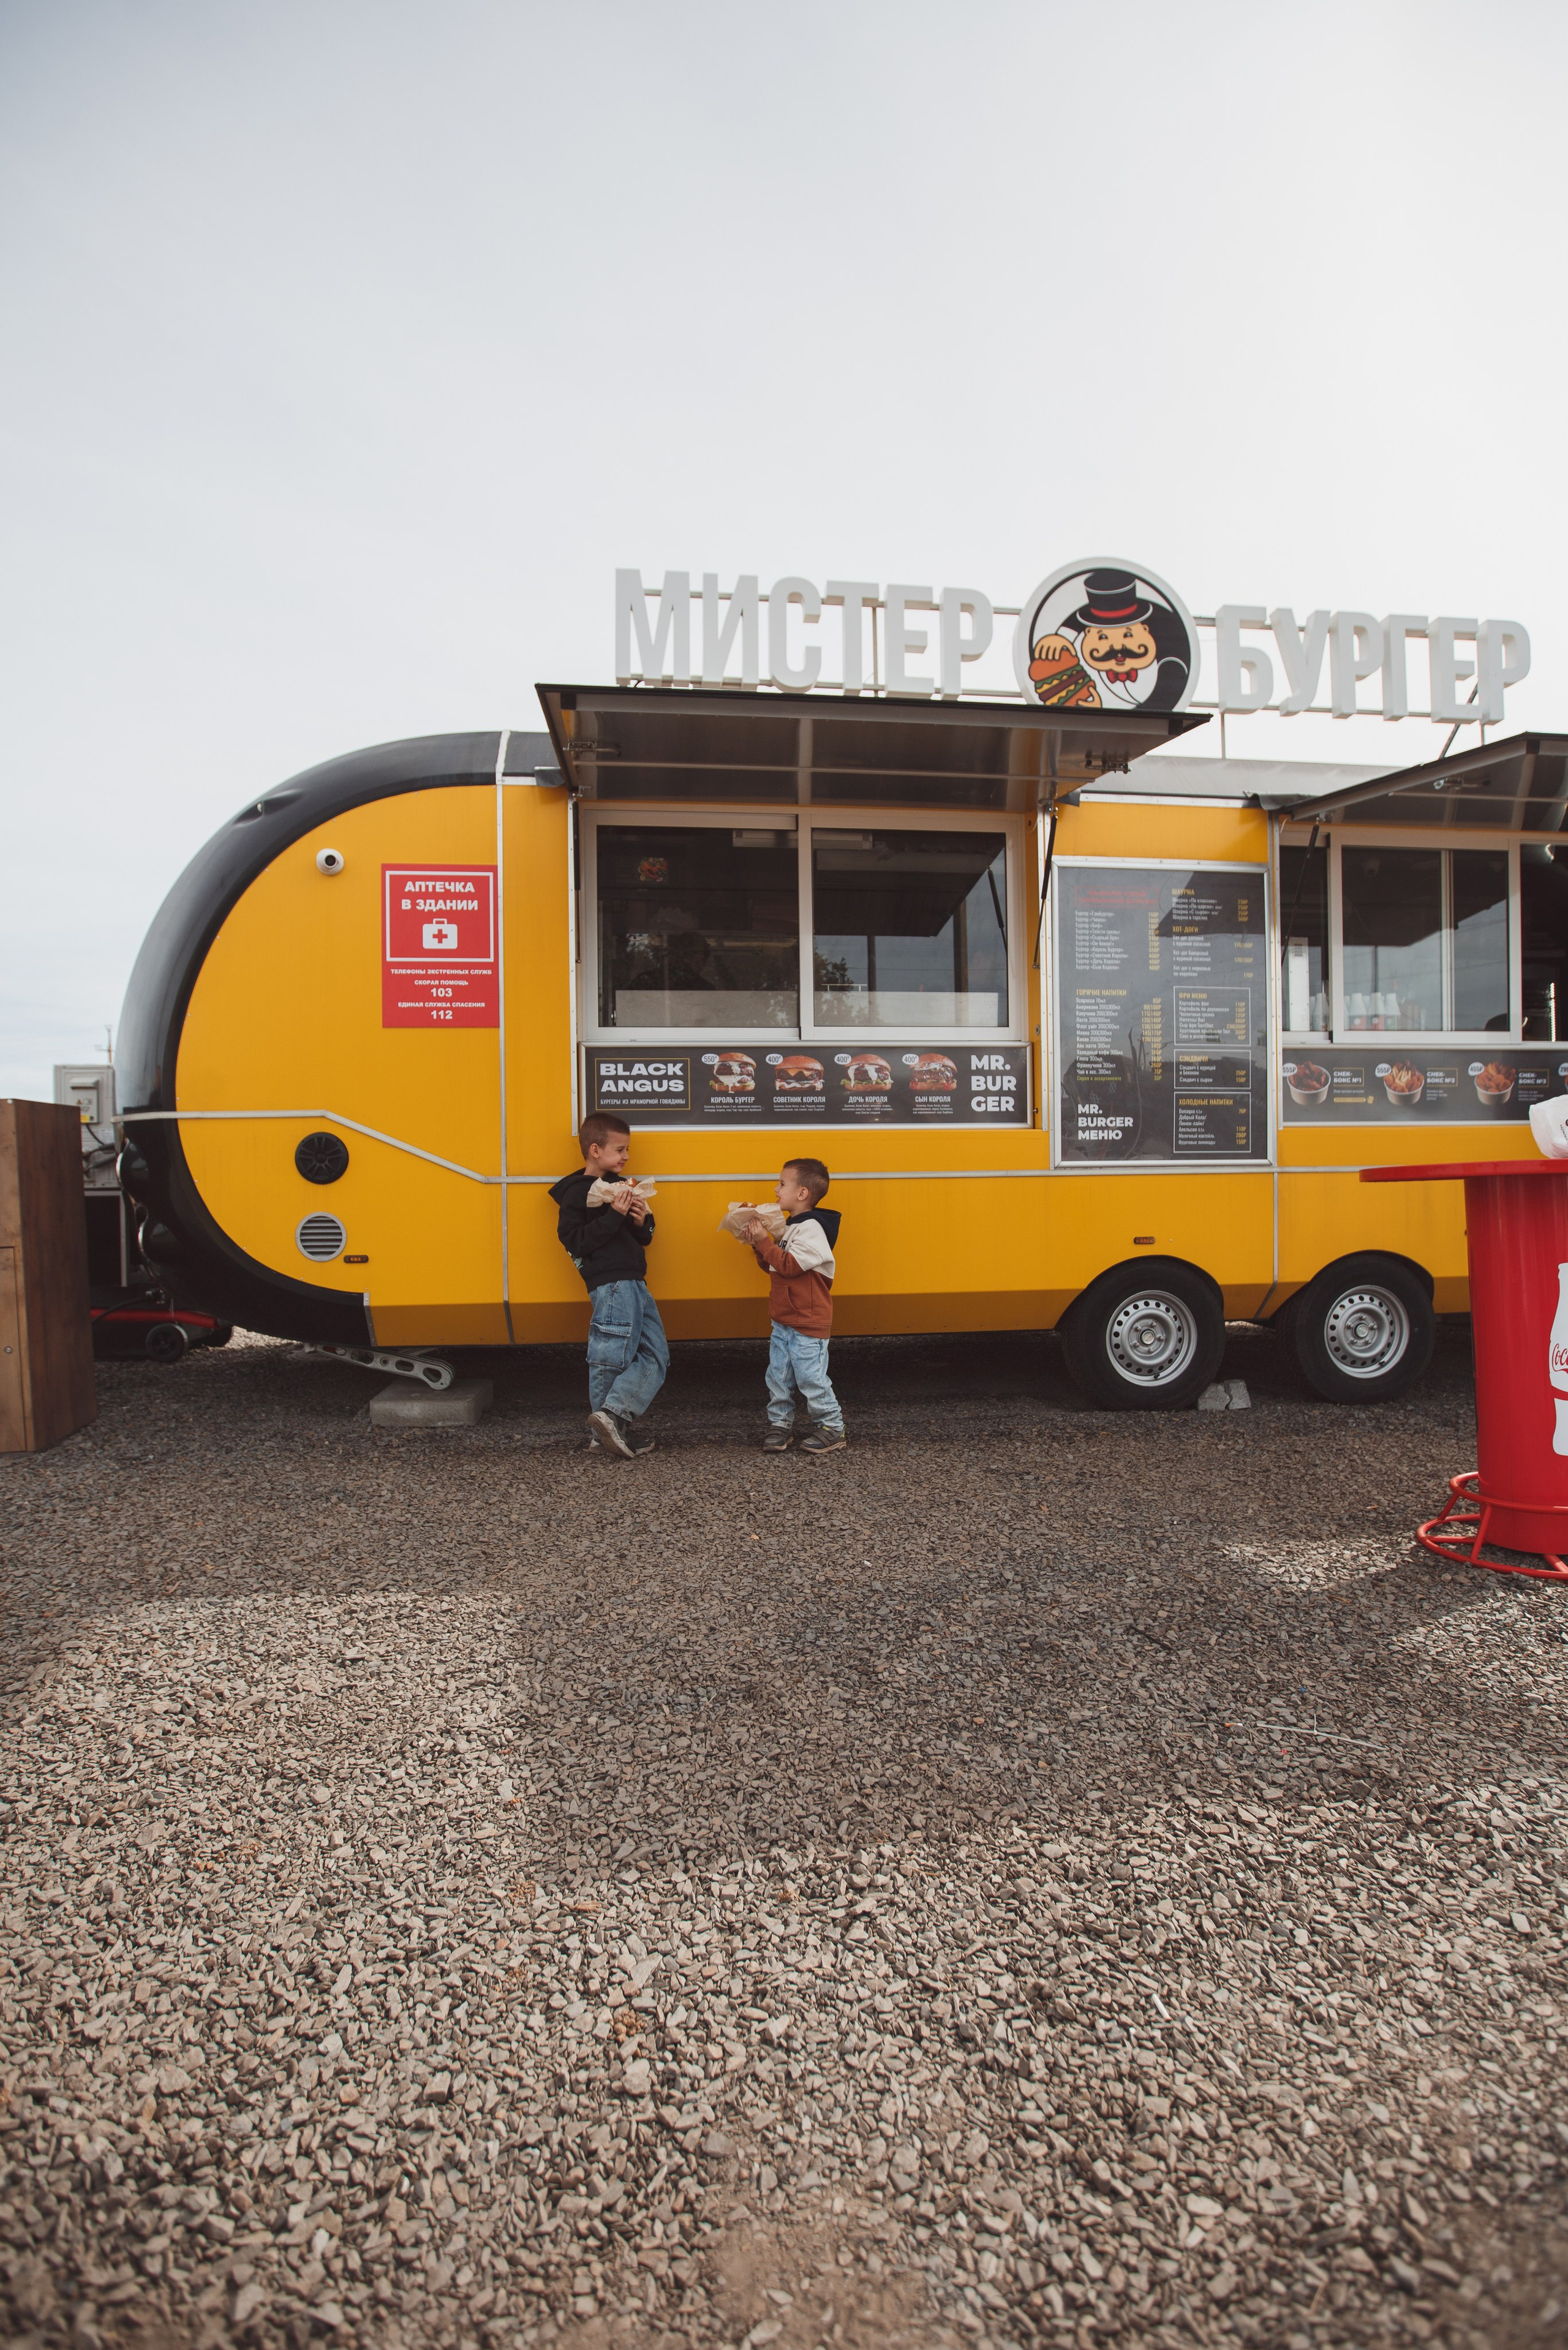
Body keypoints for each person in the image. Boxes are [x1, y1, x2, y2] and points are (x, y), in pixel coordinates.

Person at [549, 1112, 666, 1459]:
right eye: (620, 1149)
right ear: (595, 1150)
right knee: (609, 1359)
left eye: (628, 1149)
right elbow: (576, 1241)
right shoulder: (576, 1193)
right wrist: (614, 1214)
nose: (627, 1156)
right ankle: (603, 1436)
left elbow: (643, 1239)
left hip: (634, 1281)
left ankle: (612, 1418)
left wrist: (643, 1220)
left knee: (657, 1355)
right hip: (611, 1284)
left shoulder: (621, 1188)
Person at [745, 1158, 845, 1454]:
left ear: (802, 1194)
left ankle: (833, 1426)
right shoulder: (791, 1227)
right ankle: (780, 1424)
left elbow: (789, 1266)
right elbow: (775, 1268)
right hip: (785, 1319)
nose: (776, 1189)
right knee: (778, 1376)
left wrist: (766, 1243)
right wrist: (759, 1246)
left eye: (782, 1184)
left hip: (808, 1320)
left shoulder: (812, 1228)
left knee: (810, 1378)